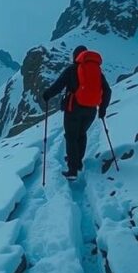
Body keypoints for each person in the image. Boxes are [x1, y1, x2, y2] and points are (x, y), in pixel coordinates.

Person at [42, 45, 112, 180]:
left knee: (71, 136)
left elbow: (58, 85)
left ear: (75, 57)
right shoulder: (97, 72)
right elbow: (107, 91)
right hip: (91, 110)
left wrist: (47, 95)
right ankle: (77, 162)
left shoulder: (72, 70)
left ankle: (73, 170)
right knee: (81, 134)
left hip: (73, 108)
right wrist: (102, 109)